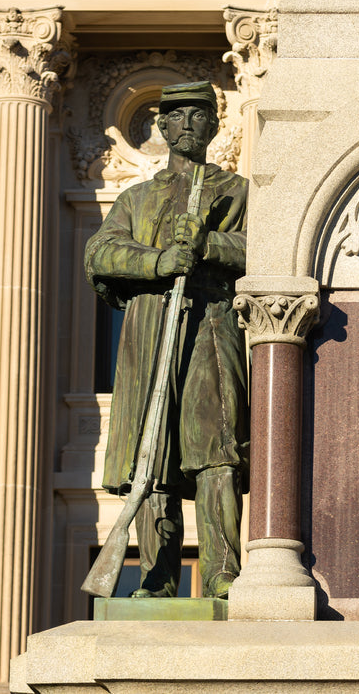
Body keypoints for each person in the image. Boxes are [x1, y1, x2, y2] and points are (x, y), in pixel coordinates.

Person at [85, 81, 248, 599]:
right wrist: (159, 261)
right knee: (150, 458)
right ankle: (157, 580)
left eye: (198, 116)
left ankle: (224, 573)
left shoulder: (237, 191)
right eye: (175, 117)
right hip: (150, 327)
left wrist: (209, 245)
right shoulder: (136, 198)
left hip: (211, 324)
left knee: (215, 449)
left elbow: (264, 250)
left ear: (213, 125)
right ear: (163, 126)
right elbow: (101, 255)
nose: (187, 125)